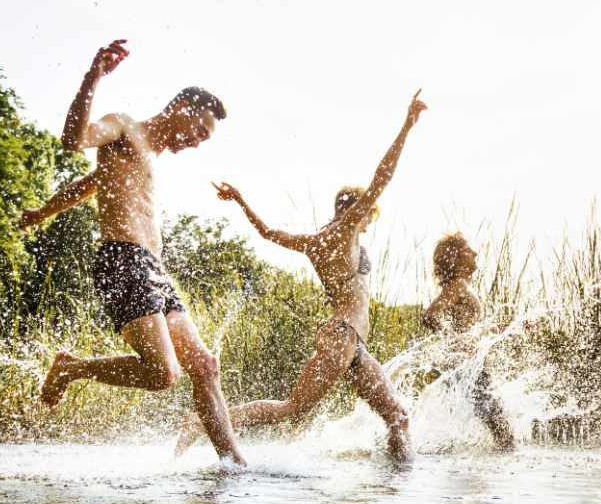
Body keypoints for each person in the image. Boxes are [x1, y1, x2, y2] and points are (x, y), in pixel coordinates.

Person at [19, 39, 245, 465]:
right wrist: (94, 76)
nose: (198, 142)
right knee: (163, 374)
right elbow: (74, 139)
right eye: (200, 130)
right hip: (121, 260)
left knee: (205, 365)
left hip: (154, 269)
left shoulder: (148, 157)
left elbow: (88, 185)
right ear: (183, 107)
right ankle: (72, 367)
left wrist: (45, 210)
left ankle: (234, 466)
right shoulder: (123, 127)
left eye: (205, 138)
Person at [175, 91, 428, 463]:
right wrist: (407, 125)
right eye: (364, 212)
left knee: (398, 416)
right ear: (359, 212)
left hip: (351, 342)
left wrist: (242, 201)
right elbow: (382, 176)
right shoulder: (345, 230)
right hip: (342, 336)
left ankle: (394, 487)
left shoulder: (315, 241)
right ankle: (201, 422)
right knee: (293, 407)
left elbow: (266, 232)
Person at [422, 232, 516, 451]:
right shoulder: (456, 286)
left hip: (470, 364)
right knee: (502, 429)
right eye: (468, 250)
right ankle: (503, 473)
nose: (475, 253)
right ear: (455, 257)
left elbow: (468, 327)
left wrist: (501, 328)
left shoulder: (461, 285)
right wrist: (456, 340)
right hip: (467, 365)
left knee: (498, 425)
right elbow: (429, 315)